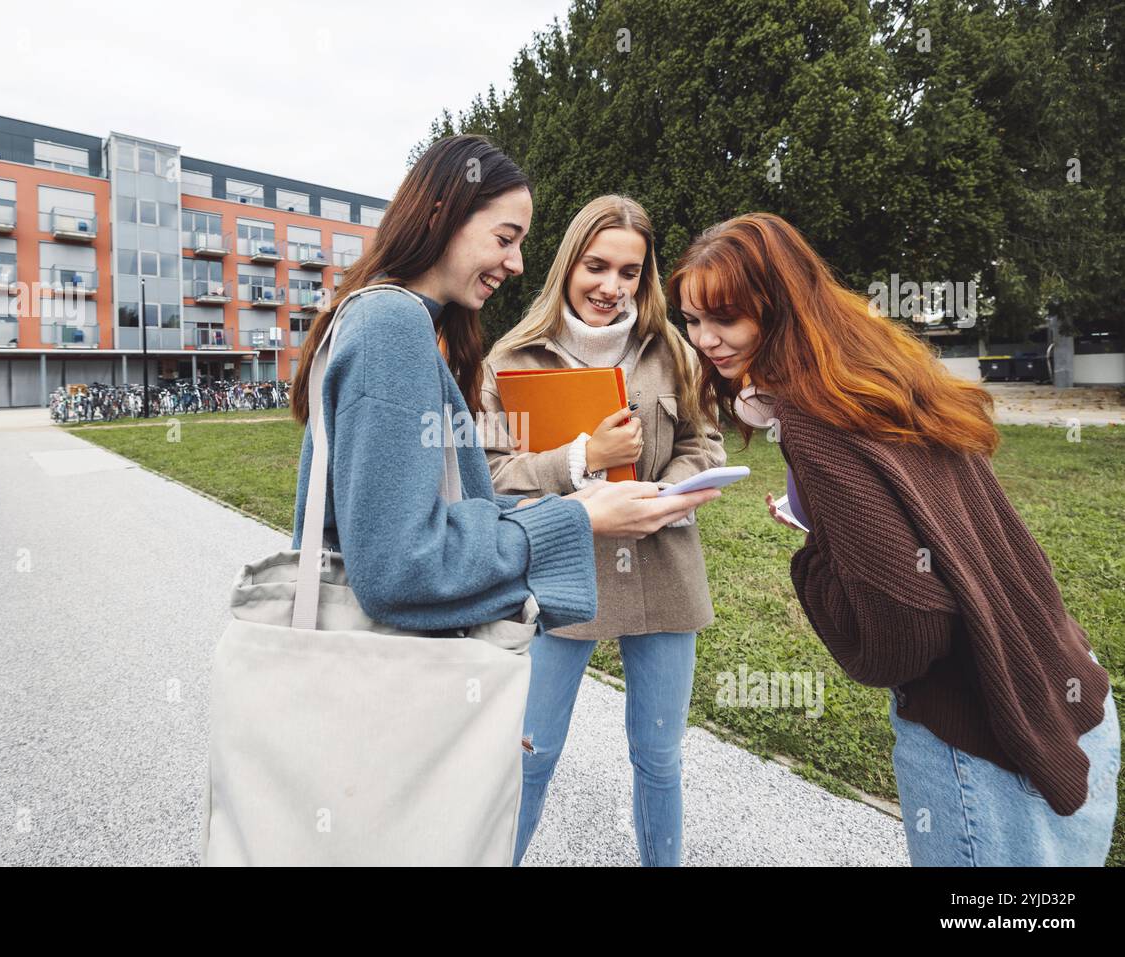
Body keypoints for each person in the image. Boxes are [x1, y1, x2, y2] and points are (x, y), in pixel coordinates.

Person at [668, 211, 1120, 866]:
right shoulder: (877, 372)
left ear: (779, 307)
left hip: (983, 744)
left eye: (725, 317)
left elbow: (904, 628)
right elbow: (925, 523)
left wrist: (813, 560)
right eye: (690, 318)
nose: (705, 339)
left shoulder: (813, 417)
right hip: (1070, 695)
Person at [289, 137, 717, 679]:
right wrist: (580, 513)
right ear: (443, 216)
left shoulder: (389, 319)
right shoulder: (392, 330)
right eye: (505, 238)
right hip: (392, 676)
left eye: (629, 273)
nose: (516, 264)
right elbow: (401, 568)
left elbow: (449, 511)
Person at [481, 195, 727, 866]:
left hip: (664, 570)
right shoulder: (513, 357)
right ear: (568, 263)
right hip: (561, 576)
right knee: (529, 752)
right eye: (597, 266)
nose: (611, 287)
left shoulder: (671, 347)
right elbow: (494, 474)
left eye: (629, 272)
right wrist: (580, 458)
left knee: (658, 758)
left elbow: (704, 442)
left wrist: (669, 496)